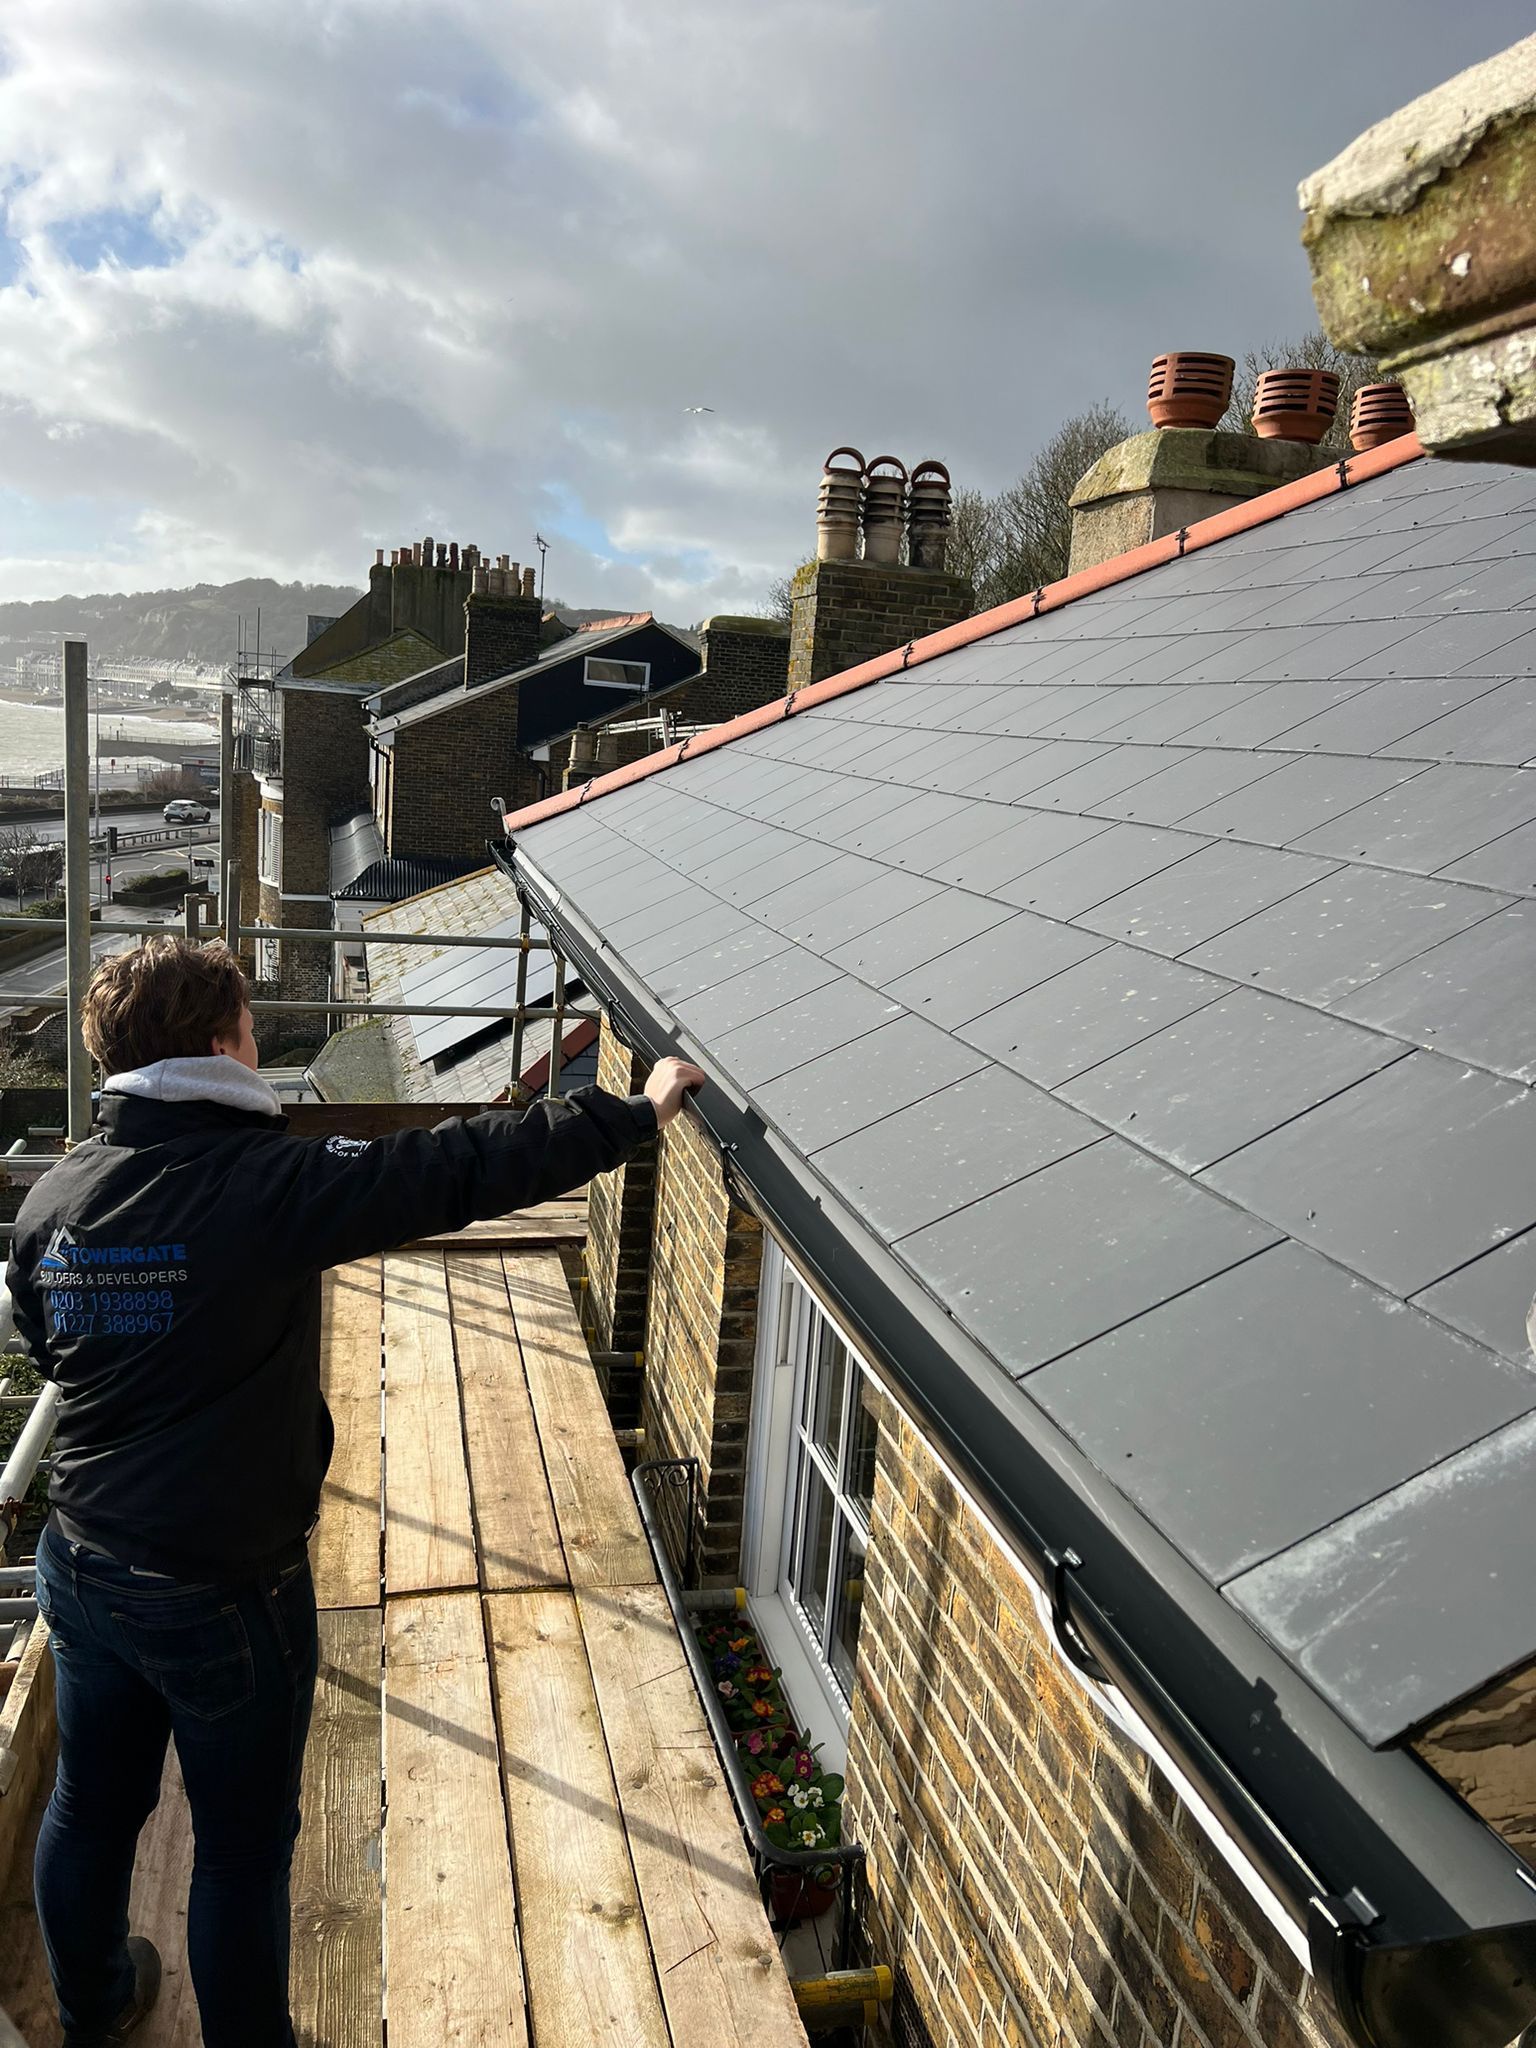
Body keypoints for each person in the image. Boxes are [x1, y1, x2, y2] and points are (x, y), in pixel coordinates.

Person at [4, 935, 703, 2048]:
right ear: (222, 1041)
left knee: (92, 1801)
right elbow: (456, 1166)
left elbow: (51, 1342)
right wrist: (635, 1111)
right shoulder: (266, 1182)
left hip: (81, 1558)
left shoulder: (58, 1195)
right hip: (222, 1586)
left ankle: (93, 2005)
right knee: (238, 1847)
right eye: (246, 1023)